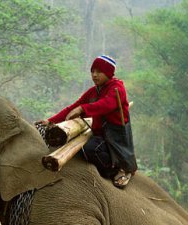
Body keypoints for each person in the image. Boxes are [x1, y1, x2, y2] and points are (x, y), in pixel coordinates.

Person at [37, 55, 137, 188]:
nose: (94, 75)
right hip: (100, 134)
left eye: (99, 72)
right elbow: (74, 107)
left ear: (108, 73)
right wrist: (51, 121)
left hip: (115, 135)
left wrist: (83, 108)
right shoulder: (94, 91)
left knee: (91, 149)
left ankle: (119, 170)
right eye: (92, 71)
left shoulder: (117, 88)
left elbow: (106, 104)